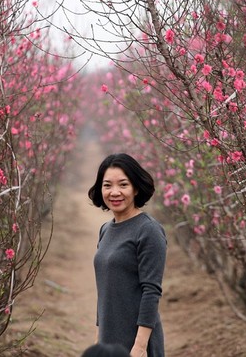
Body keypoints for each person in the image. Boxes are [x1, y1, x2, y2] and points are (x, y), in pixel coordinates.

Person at [88, 153, 167, 357]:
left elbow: (151, 291)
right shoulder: (106, 229)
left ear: (136, 188)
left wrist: (140, 347)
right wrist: (99, 338)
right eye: (107, 185)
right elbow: (106, 288)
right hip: (109, 339)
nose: (115, 192)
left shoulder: (148, 230)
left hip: (136, 342)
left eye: (123, 184)